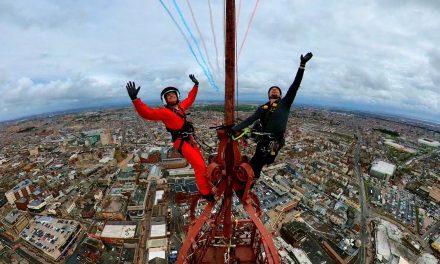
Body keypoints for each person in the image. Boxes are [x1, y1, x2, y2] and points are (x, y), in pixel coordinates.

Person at [126, 74, 214, 202]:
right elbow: (147, 113)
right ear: (165, 100)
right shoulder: (164, 112)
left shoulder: (181, 108)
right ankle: (206, 192)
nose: (171, 96)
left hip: (189, 140)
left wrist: (196, 85)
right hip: (181, 142)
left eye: (173, 94)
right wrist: (135, 99)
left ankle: (207, 185)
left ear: (177, 96)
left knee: (202, 164)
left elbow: (190, 98)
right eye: (168, 96)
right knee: (199, 166)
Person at [231, 52, 313, 180]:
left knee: (258, 162)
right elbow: (250, 119)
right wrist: (234, 129)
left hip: (275, 141)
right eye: (272, 89)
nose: (274, 90)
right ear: (268, 94)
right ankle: (248, 184)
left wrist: (302, 65)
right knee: (255, 164)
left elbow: (295, 86)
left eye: (277, 90)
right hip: (264, 141)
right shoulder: (262, 108)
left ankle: (248, 183)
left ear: (280, 95)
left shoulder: (285, 103)